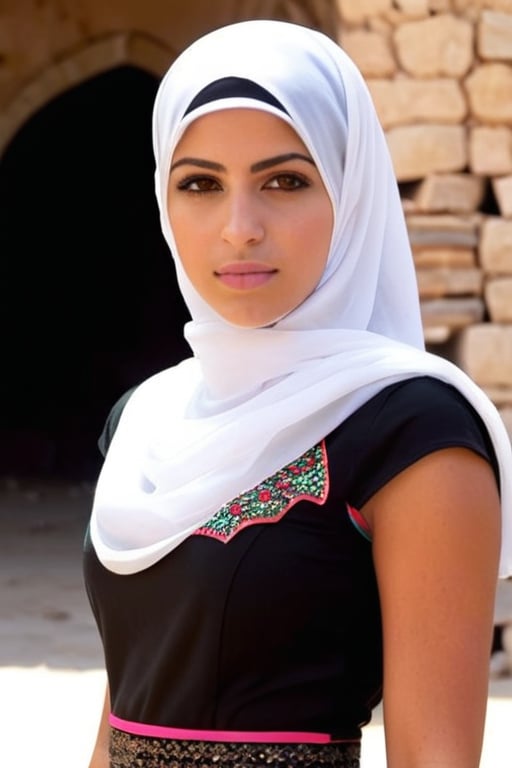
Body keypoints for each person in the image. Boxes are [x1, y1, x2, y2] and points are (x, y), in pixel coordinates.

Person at [83, 18, 512, 768]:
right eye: (200, 185)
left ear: (349, 194)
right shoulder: (144, 419)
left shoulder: (411, 430)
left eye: (285, 181)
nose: (239, 229)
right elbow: (123, 708)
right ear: (162, 198)